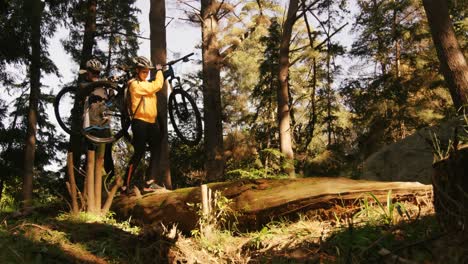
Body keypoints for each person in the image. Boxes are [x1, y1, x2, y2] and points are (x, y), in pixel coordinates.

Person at [122, 56, 166, 194]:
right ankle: (125, 186)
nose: (146, 74)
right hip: (139, 122)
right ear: (137, 71)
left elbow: (153, 86)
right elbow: (157, 85)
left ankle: (149, 183)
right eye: (143, 72)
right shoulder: (134, 84)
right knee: (139, 152)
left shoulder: (146, 84)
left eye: (147, 72)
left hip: (152, 123)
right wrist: (159, 71)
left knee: (157, 150)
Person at [79, 58, 115, 178]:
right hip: (91, 126)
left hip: (104, 125)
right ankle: (86, 184)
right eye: (93, 72)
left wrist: (111, 88)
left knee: (107, 155)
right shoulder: (84, 85)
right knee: (91, 156)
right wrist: (104, 82)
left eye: (97, 72)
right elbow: (83, 93)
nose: (95, 74)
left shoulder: (102, 87)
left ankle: (112, 181)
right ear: (87, 72)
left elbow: (110, 102)